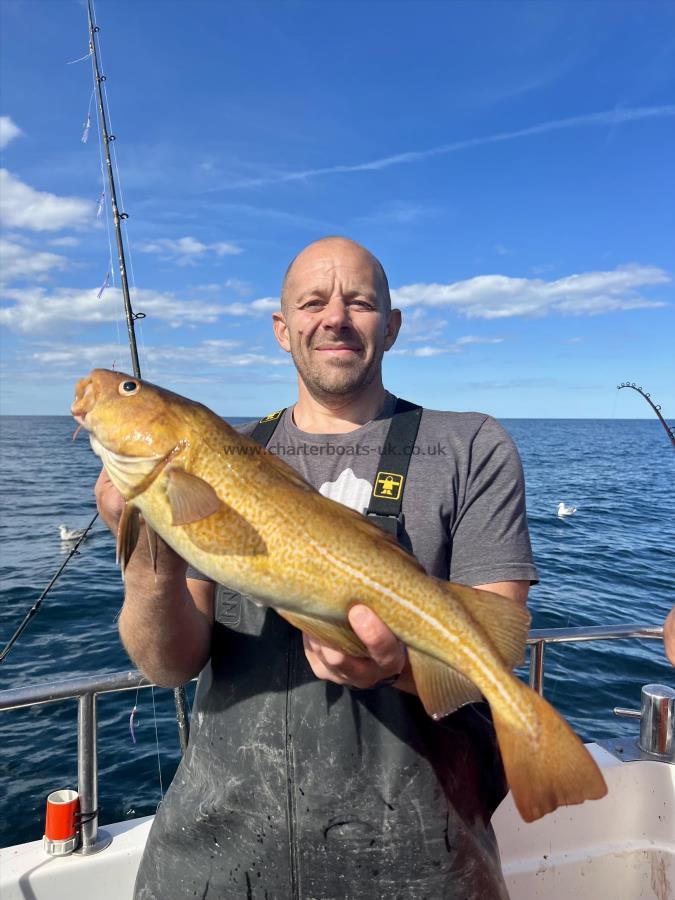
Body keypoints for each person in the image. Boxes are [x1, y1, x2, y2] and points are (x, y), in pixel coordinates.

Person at [96, 237, 538, 899]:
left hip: (420, 863)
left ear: (390, 326)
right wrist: (147, 558)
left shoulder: (471, 446)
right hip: (218, 857)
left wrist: (394, 666)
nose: (335, 317)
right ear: (282, 329)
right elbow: (169, 665)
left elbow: (488, 661)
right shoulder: (228, 450)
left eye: (359, 302)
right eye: (312, 302)